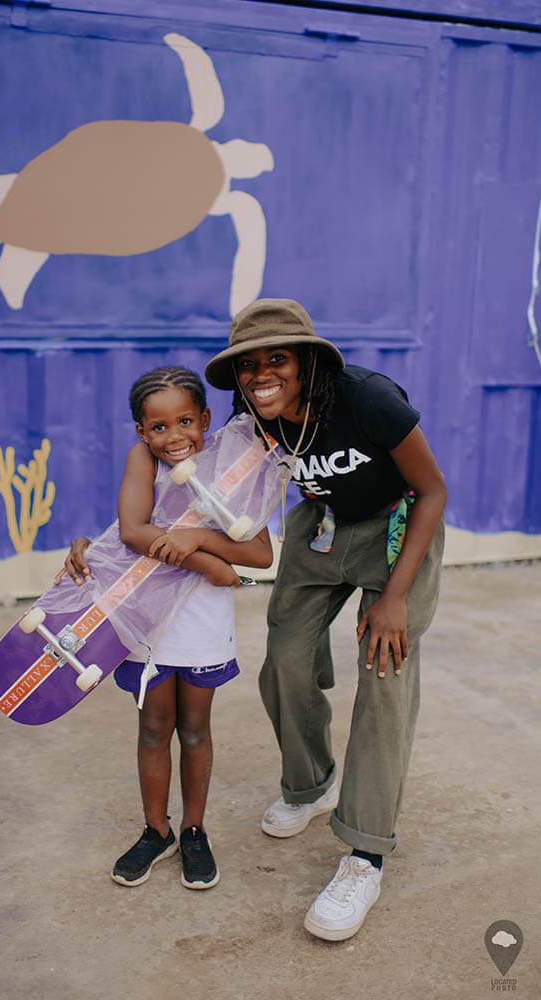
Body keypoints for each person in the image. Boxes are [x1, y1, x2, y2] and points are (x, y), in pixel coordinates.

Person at [204, 298, 446, 940]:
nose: (261, 375)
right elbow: (204, 481)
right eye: (248, 365)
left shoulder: (368, 399)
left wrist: (394, 596)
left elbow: (433, 490)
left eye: (277, 358)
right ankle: (311, 784)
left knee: (384, 672)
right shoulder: (256, 414)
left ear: (307, 361)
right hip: (322, 527)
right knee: (283, 659)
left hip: (397, 525)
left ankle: (364, 853)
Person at [59, 366, 272, 890]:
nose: (174, 437)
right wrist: (207, 563)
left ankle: (194, 829)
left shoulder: (232, 467)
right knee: (154, 727)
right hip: (143, 617)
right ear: (140, 432)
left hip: (202, 620)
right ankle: (158, 831)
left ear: (204, 418)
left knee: (195, 729)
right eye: (158, 428)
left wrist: (198, 540)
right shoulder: (142, 461)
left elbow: (261, 553)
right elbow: (133, 530)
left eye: (185, 421)